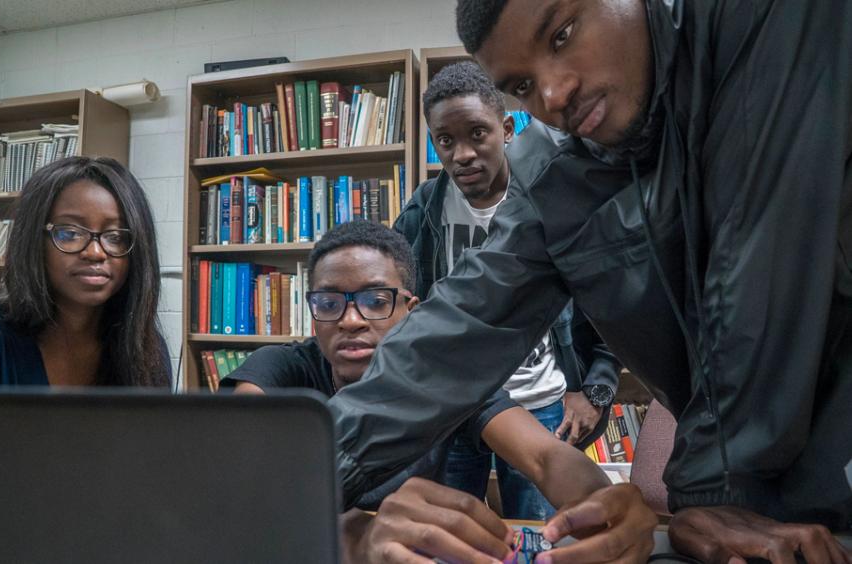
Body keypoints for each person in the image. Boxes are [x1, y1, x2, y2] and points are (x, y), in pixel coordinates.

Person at [327, 1, 852, 562]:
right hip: (751, 518)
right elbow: (452, 334)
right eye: (522, 85)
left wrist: (709, 491)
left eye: (562, 35)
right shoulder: (555, 179)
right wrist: (285, 481)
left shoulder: (766, 20)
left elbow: (760, 266)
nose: (552, 96)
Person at [222, 220, 656, 563]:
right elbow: (240, 489)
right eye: (330, 302)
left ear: (412, 312)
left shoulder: (442, 376)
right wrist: (355, 535)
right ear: (313, 314)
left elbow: (544, 456)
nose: (351, 319)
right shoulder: (276, 369)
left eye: (376, 300)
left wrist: (603, 506)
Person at [394, 60, 620, 520]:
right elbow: (398, 303)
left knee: (542, 538)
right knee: (449, 538)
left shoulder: (549, 202)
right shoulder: (423, 210)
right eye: (446, 140)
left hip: (540, 410)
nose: (462, 154)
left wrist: (594, 390)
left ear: (507, 128)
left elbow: (611, 308)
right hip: (454, 408)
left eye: (477, 133)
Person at [0, 156, 171, 389]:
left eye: (116, 237)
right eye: (69, 233)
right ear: (33, 240)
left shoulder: (145, 348)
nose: (95, 253)